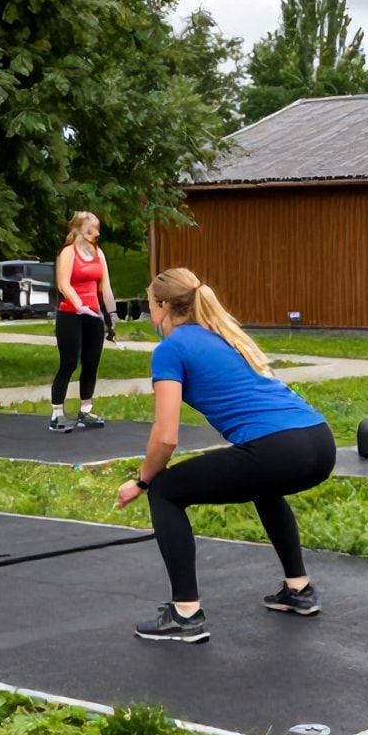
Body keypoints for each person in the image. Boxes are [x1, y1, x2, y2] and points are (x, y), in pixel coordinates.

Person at [116, 268, 335, 643]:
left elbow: (165, 437)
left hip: (281, 448)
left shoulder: (170, 349)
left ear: (164, 306)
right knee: (265, 486)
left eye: (150, 304)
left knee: (166, 490)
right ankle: (298, 589)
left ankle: (185, 613)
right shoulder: (223, 336)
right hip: (320, 441)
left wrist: (143, 479)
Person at [48, 211, 117, 433]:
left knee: (91, 363)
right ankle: (57, 412)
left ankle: (85, 411)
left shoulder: (99, 254)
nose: (95, 233)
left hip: (93, 315)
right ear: (78, 228)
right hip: (71, 313)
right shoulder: (68, 253)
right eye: (90, 228)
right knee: (69, 362)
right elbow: (63, 284)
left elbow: (105, 287)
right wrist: (79, 305)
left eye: (97, 228)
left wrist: (111, 314)